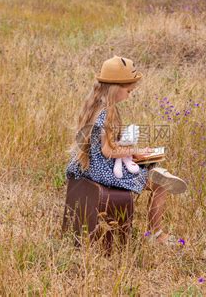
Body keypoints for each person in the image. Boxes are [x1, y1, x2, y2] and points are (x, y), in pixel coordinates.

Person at [65, 55, 187, 245]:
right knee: (160, 185)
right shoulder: (107, 114)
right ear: (116, 89)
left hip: (91, 168)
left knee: (151, 173)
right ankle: (156, 234)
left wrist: (129, 149)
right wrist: (134, 151)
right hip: (104, 172)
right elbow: (108, 151)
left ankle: (156, 174)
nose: (130, 95)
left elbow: (101, 144)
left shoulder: (95, 106)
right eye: (128, 91)